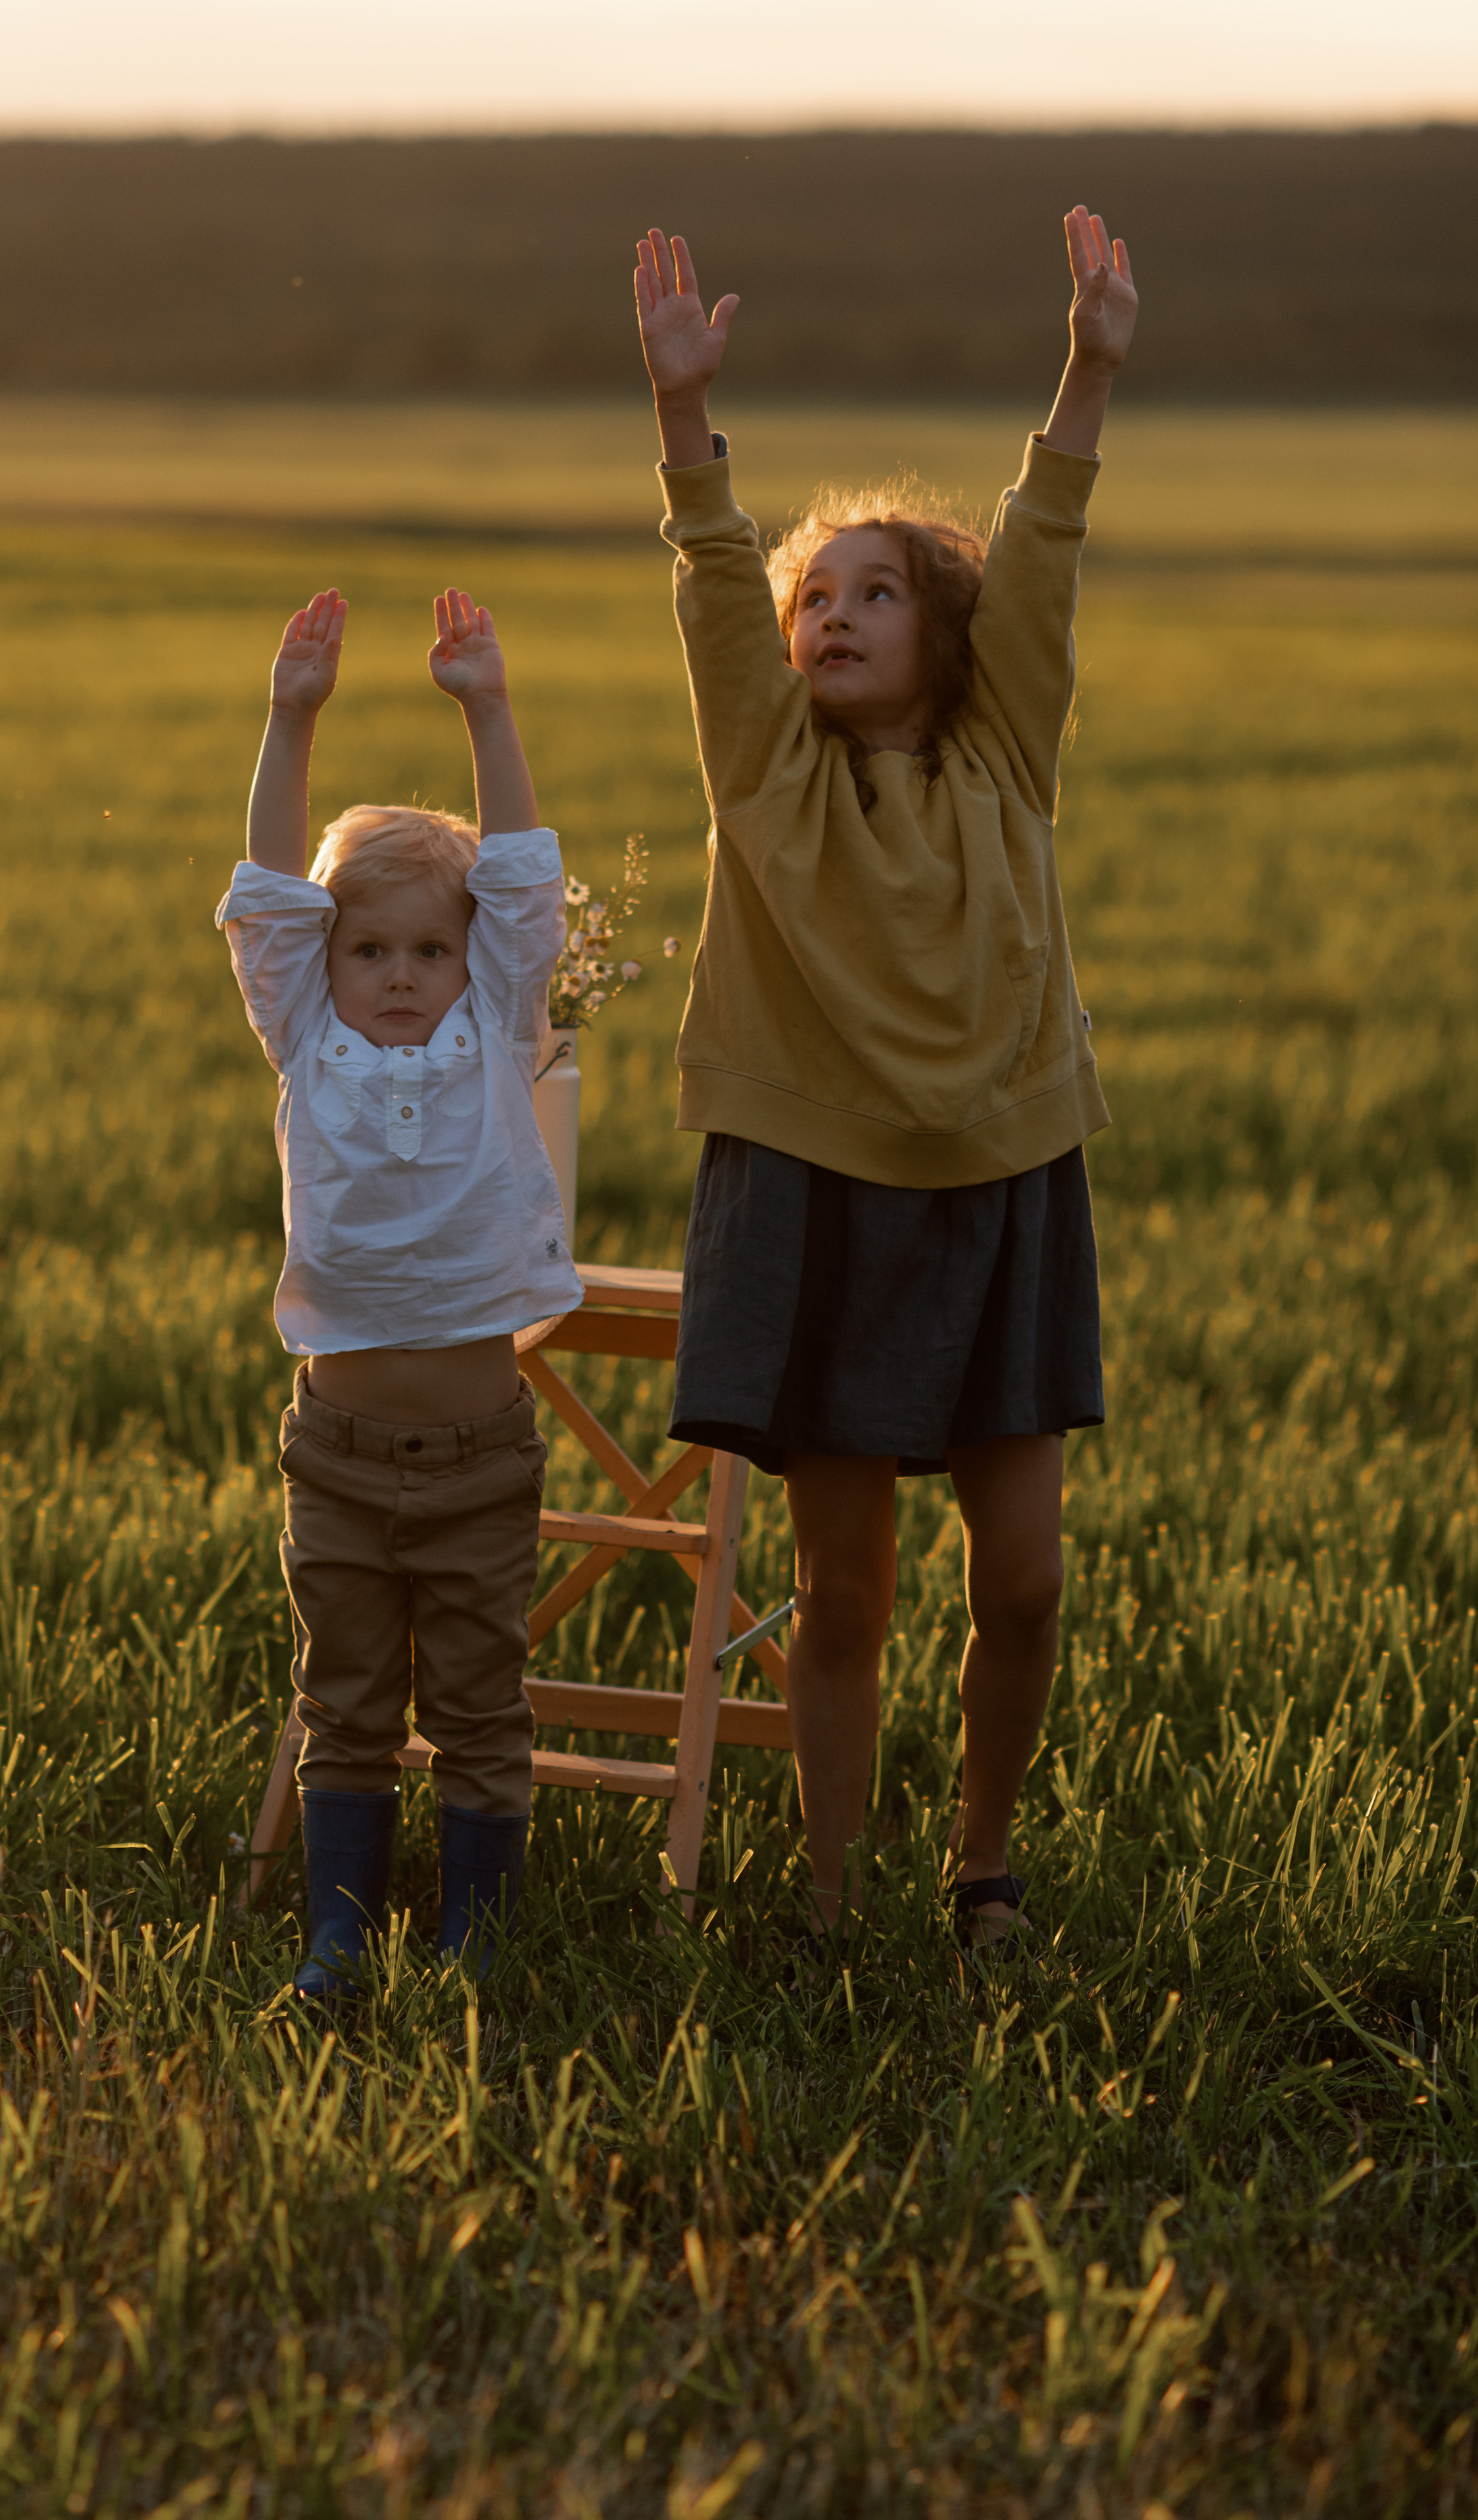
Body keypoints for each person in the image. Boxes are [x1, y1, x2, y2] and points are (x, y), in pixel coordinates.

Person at [633, 207, 1137, 1949]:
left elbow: (1048, 534)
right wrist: (686, 426)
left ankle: (980, 1867)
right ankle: (840, 1900)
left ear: (946, 633)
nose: (831, 617)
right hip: (813, 1191)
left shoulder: (1008, 754)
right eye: (813, 600)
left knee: (1029, 1575)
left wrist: (1085, 363)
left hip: (1006, 1182)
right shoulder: (765, 781)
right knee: (844, 1591)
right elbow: (713, 589)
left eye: (873, 593)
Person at [216, 583, 581, 1997]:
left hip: (482, 1459)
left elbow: (524, 880)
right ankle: (335, 1937)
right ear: (324, 965)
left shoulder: (495, 1022)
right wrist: (287, 717)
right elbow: (263, 897)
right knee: (349, 1702)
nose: (399, 975)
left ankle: (479, 1938)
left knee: (483, 1704)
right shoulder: (304, 1034)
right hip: (341, 1458)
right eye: (368, 950)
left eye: (427, 950)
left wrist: (486, 706)